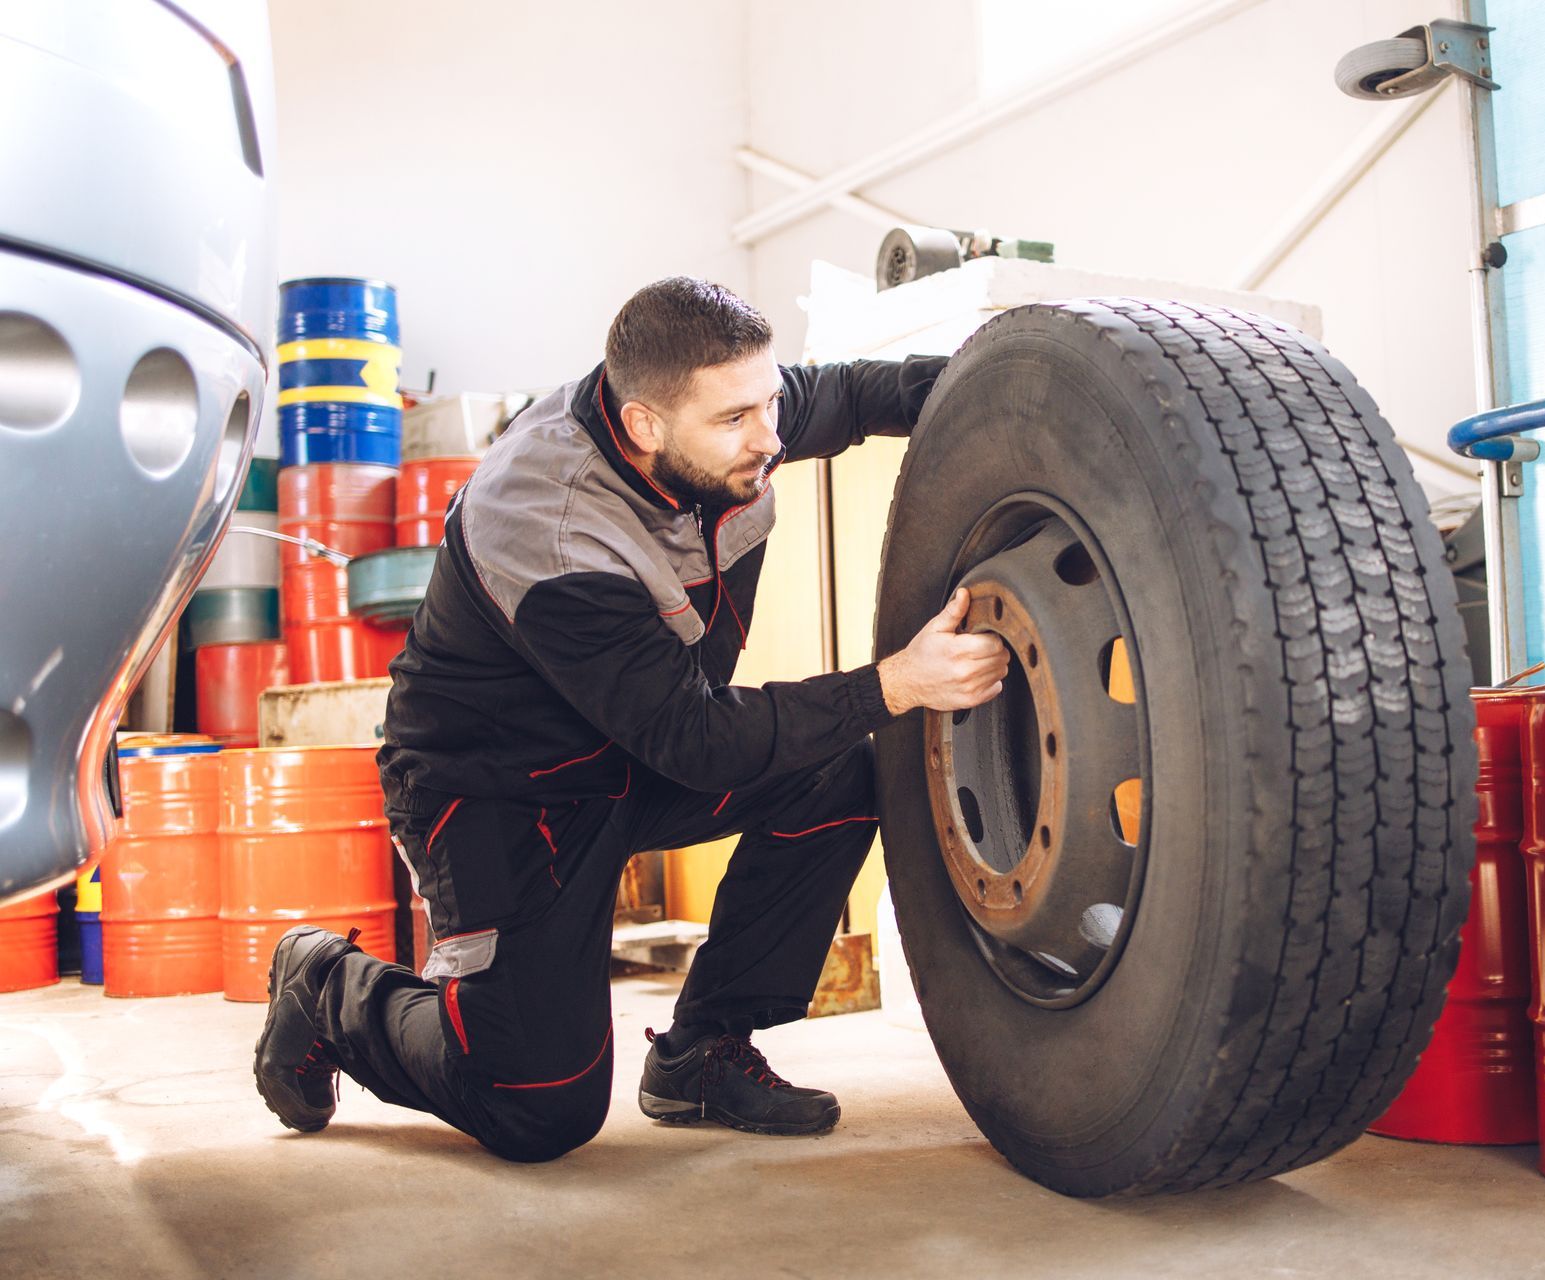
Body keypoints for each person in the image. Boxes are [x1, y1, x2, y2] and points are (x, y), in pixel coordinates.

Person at [250, 277, 1009, 1161]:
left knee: (834, 770)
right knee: (538, 1109)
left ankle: (703, 1051)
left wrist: (1012, 375)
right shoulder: (553, 527)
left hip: (634, 753)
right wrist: (895, 683)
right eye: (738, 420)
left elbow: (848, 393)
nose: (772, 435)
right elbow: (700, 743)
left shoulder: (721, 408)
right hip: (502, 798)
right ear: (646, 426)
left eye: (769, 404)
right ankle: (326, 985)